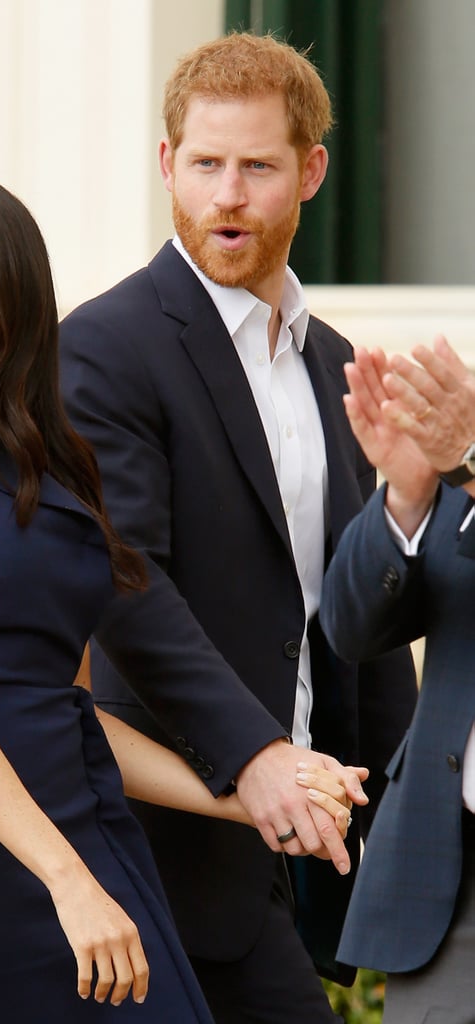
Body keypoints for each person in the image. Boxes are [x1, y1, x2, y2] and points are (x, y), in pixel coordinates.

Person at [0, 175, 361, 1024]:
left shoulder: (48, 462)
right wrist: (66, 880)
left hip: (80, 840)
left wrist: (253, 794)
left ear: (19, 292)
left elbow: (74, 711)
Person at [59, 31, 418, 1024]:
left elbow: (357, 612)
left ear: (309, 172)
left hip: (305, 846)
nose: (227, 193)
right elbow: (123, 582)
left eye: (256, 166)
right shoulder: (103, 347)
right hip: (158, 849)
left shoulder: (333, 363)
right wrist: (256, 756)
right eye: (205, 163)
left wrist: (409, 826)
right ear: (167, 164)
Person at [320, 335, 475, 1024]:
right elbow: (351, 631)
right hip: (453, 884)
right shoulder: (458, 445)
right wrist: (407, 495)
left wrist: (468, 468)